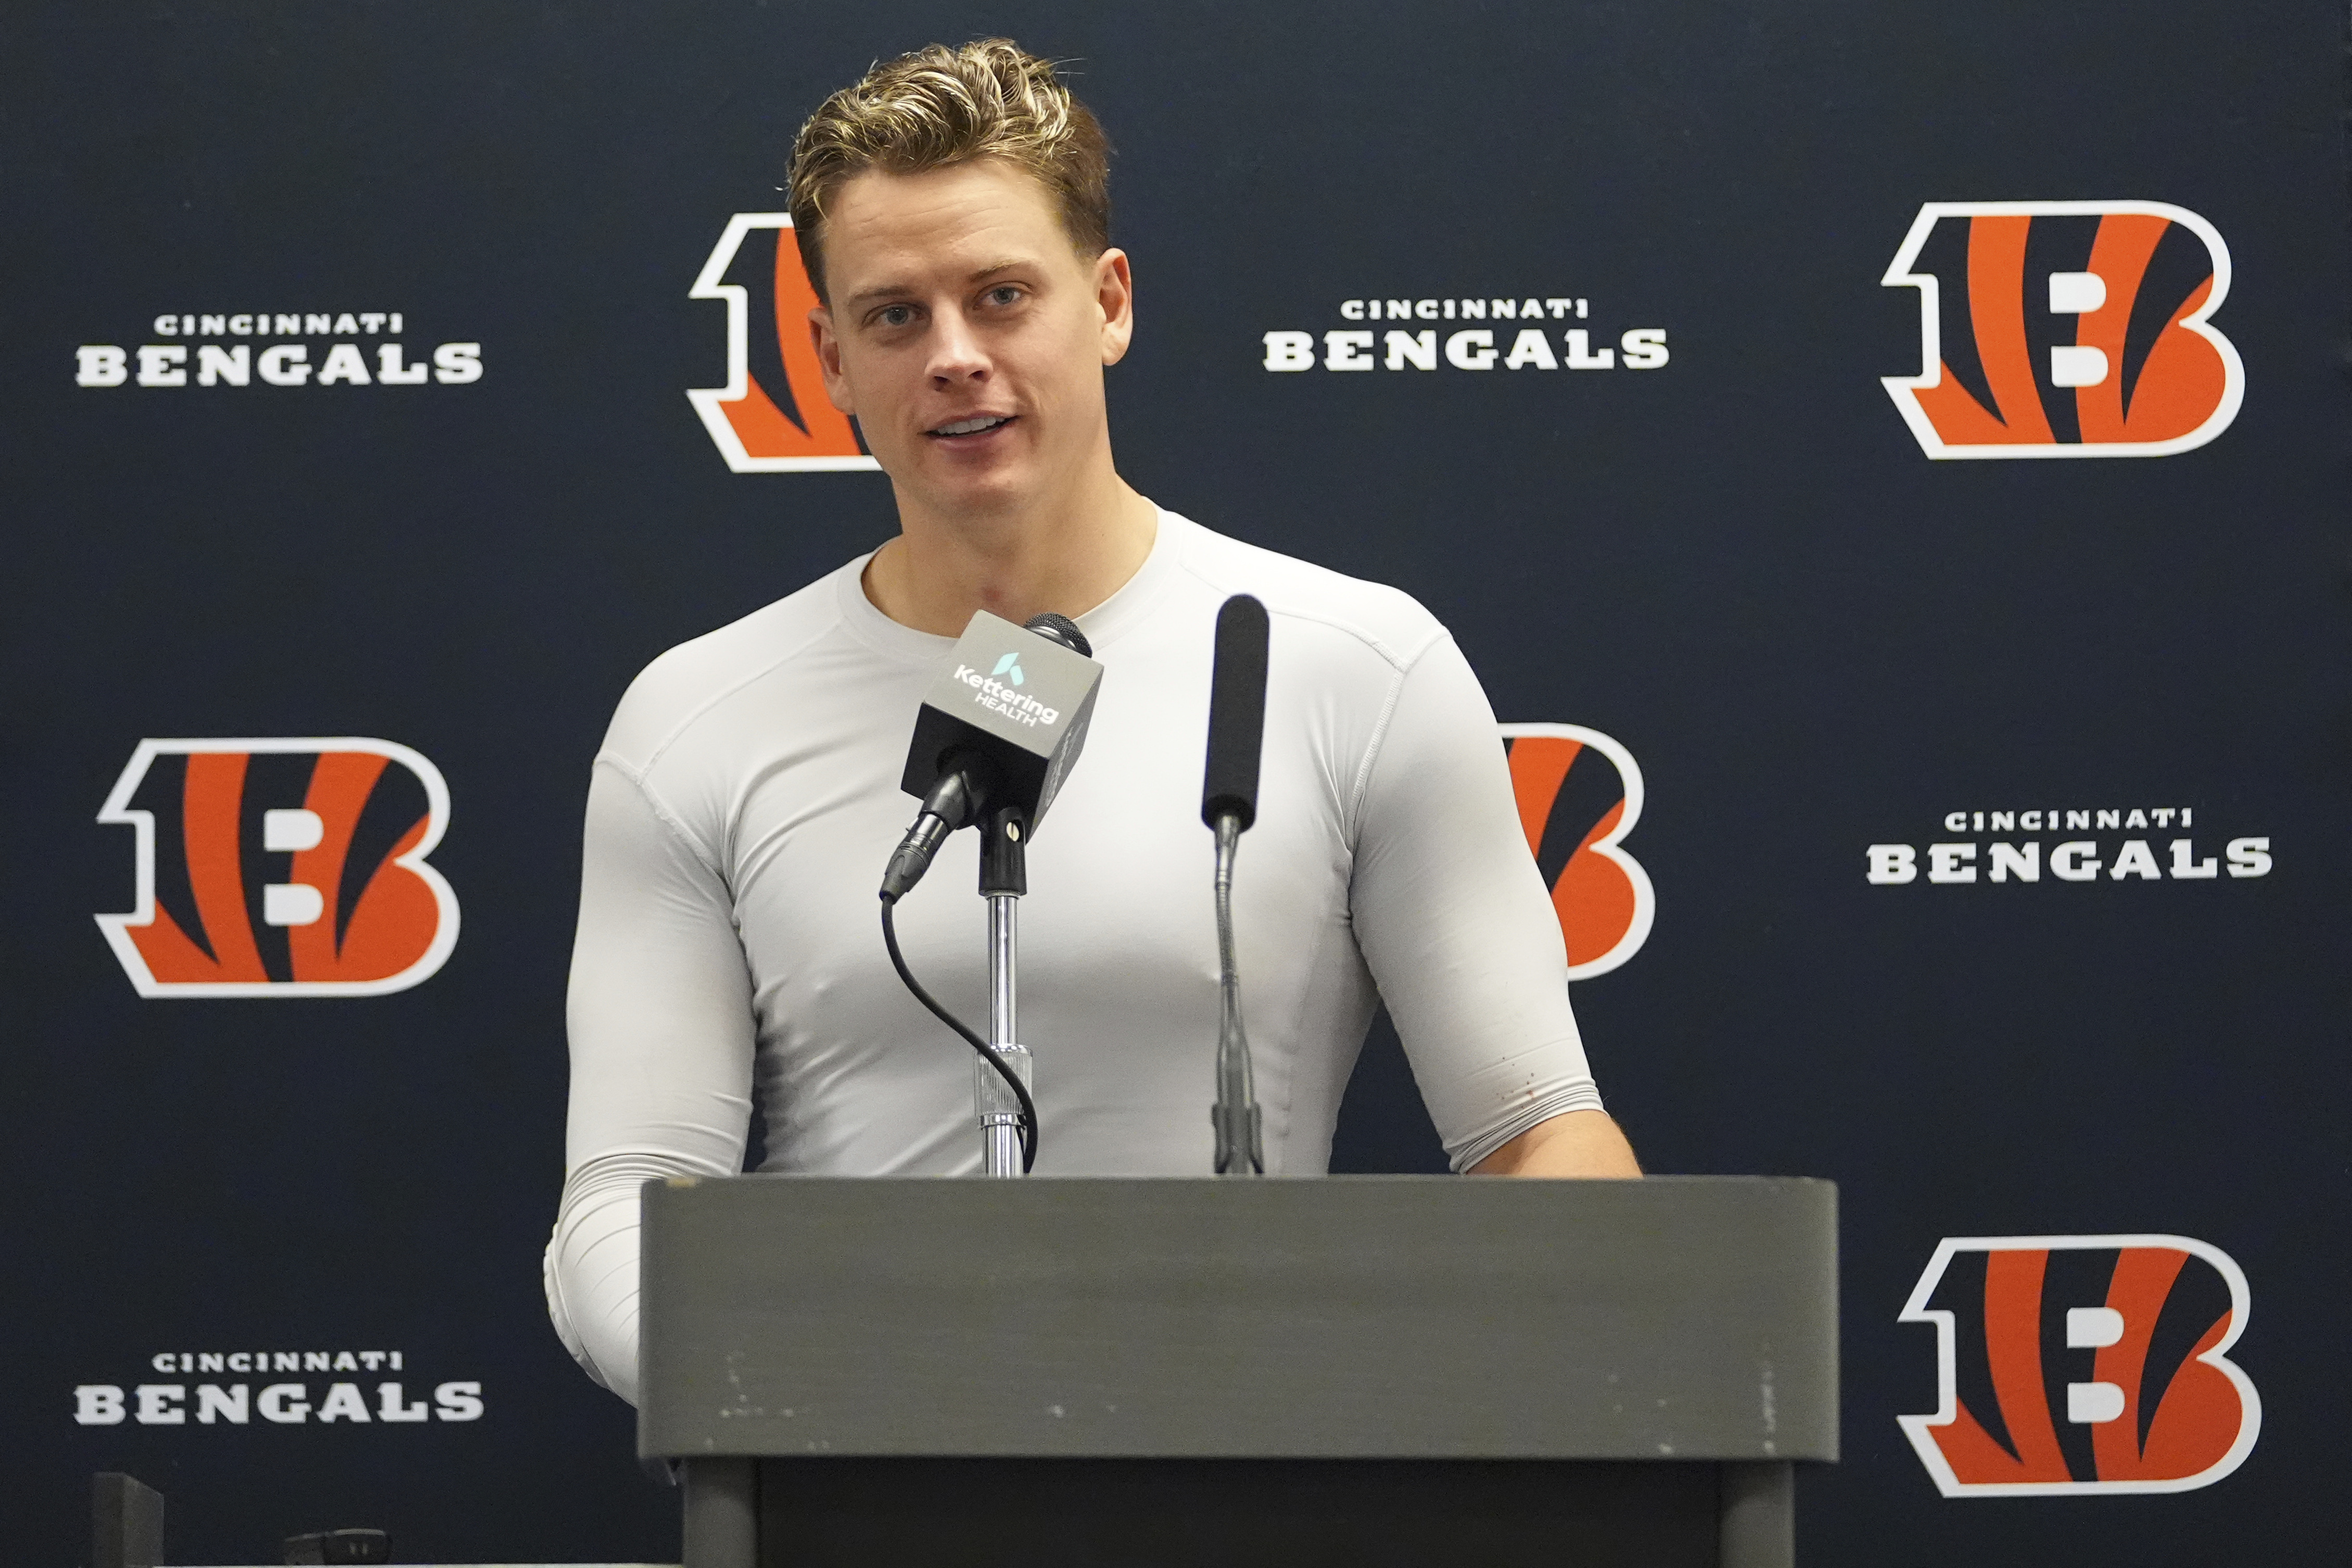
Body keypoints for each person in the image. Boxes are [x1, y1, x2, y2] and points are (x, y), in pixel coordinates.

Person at [545, 38, 1639, 1404]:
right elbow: (624, 1199)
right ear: (826, 359)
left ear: (1108, 303)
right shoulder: (700, 717)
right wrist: (822, 1387)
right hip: (848, 1489)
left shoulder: (1351, 664)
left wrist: (1401, 1385)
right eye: (894, 318)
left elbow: (1545, 1134)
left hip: (1262, 1472)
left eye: (1002, 296)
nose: (955, 358)